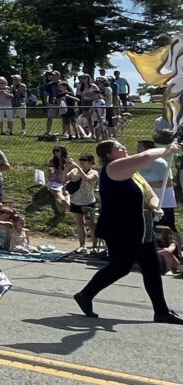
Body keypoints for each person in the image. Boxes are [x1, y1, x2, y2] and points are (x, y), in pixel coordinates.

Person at [74, 139, 183, 324]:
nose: (124, 147)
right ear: (108, 155)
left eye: (123, 145)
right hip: (120, 229)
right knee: (120, 267)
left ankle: (161, 312)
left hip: (141, 229)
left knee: (151, 269)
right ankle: (85, 295)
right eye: (118, 147)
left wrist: (155, 206)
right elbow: (146, 155)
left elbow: (151, 195)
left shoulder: (133, 174)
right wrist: (166, 150)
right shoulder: (112, 169)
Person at [138, 140, 178, 232]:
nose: (138, 150)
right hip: (150, 202)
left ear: (147, 149)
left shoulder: (160, 163)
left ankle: (177, 245)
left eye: (140, 147)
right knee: (153, 229)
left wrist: (145, 184)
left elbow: (167, 183)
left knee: (168, 229)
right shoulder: (141, 162)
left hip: (164, 202)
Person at [64, 152, 100, 253]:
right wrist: (67, 168)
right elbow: (64, 179)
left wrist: (78, 168)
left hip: (88, 202)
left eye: (85, 160)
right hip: (75, 201)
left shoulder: (94, 173)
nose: (82, 162)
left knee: (91, 224)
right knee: (79, 224)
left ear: (91, 162)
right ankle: (82, 245)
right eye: (81, 160)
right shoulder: (74, 171)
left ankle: (94, 246)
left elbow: (87, 179)